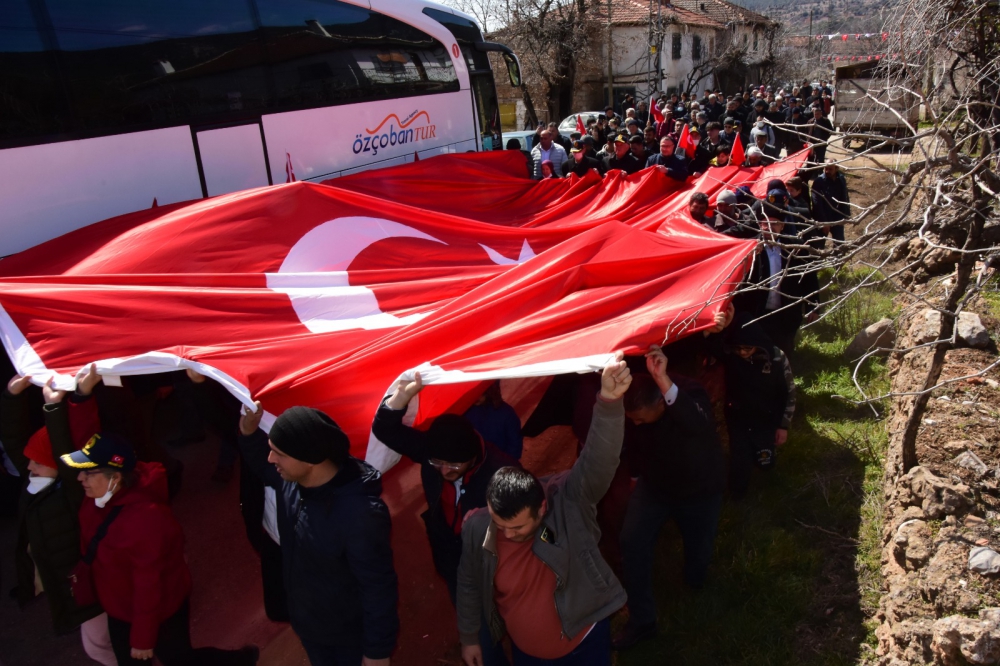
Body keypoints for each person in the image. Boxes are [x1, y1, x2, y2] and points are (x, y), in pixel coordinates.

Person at [457, 354, 632, 666]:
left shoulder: (567, 504)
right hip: (529, 656)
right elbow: (469, 583)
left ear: (541, 508)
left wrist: (609, 401)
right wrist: (470, 637)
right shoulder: (477, 528)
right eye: (501, 525)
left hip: (587, 643)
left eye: (519, 528)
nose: (508, 534)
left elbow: (598, 463)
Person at [64, 429, 258, 666]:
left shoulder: (146, 521)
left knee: (181, 661)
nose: (79, 479)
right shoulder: (99, 497)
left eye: (89, 473)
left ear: (115, 477)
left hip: (159, 612)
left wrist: (143, 638)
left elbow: (149, 585)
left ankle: (237, 661)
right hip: (121, 609)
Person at [239, 403, 398, 666]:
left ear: (310, 459)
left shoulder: (360, 516)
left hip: (347, 640)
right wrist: (247, 431)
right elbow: (261, 463)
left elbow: (378, 589)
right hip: (311, 628)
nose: (271, 459)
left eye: (279, 453)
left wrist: (377, 653)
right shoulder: (293, 481)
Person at [613, 346, 725, 650]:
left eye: (640, 419)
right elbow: (634, 443)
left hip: (699, 491)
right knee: (632, 541)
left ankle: (695, 582)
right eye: (631, 419)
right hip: (655, 488)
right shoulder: (636, 406)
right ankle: (642, 621)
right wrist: (636, 478)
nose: (635, 424)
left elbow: (698, 424)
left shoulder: (689, 394)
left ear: (663, 402)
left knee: (697, 554)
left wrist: (663, 381)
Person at [2, 368, 114, 665]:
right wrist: (12, 396)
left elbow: (63, 448)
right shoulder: (37, 482)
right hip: (73, 585)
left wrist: (52, 407)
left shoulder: (74, 491)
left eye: (37, 462)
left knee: (100, 646)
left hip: (89, 586)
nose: (29, 467)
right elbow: (15, 441)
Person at [705, 305, 796, 499]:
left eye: (747, 348)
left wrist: (783, 426)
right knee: (740, 459)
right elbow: (712, 346)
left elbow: (788, 393)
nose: (743, 353)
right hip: (738, 416)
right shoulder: (731, 355)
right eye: (739, 349)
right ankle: (737, 495)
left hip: (766, 417)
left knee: (765, 460)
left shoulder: (776, 358)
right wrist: (715, 330)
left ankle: (767, 474)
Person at [812, 160, 851, 243]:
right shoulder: (819, 182)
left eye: (830, 169)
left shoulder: (841, 179)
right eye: (826, 168)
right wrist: (824, 222)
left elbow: (845, 196)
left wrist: (846, 213)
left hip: (837, 216)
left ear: (836, 169)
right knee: (819, 243)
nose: (827, 171)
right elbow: (816, 203)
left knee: (839, 243)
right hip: (824, 216)